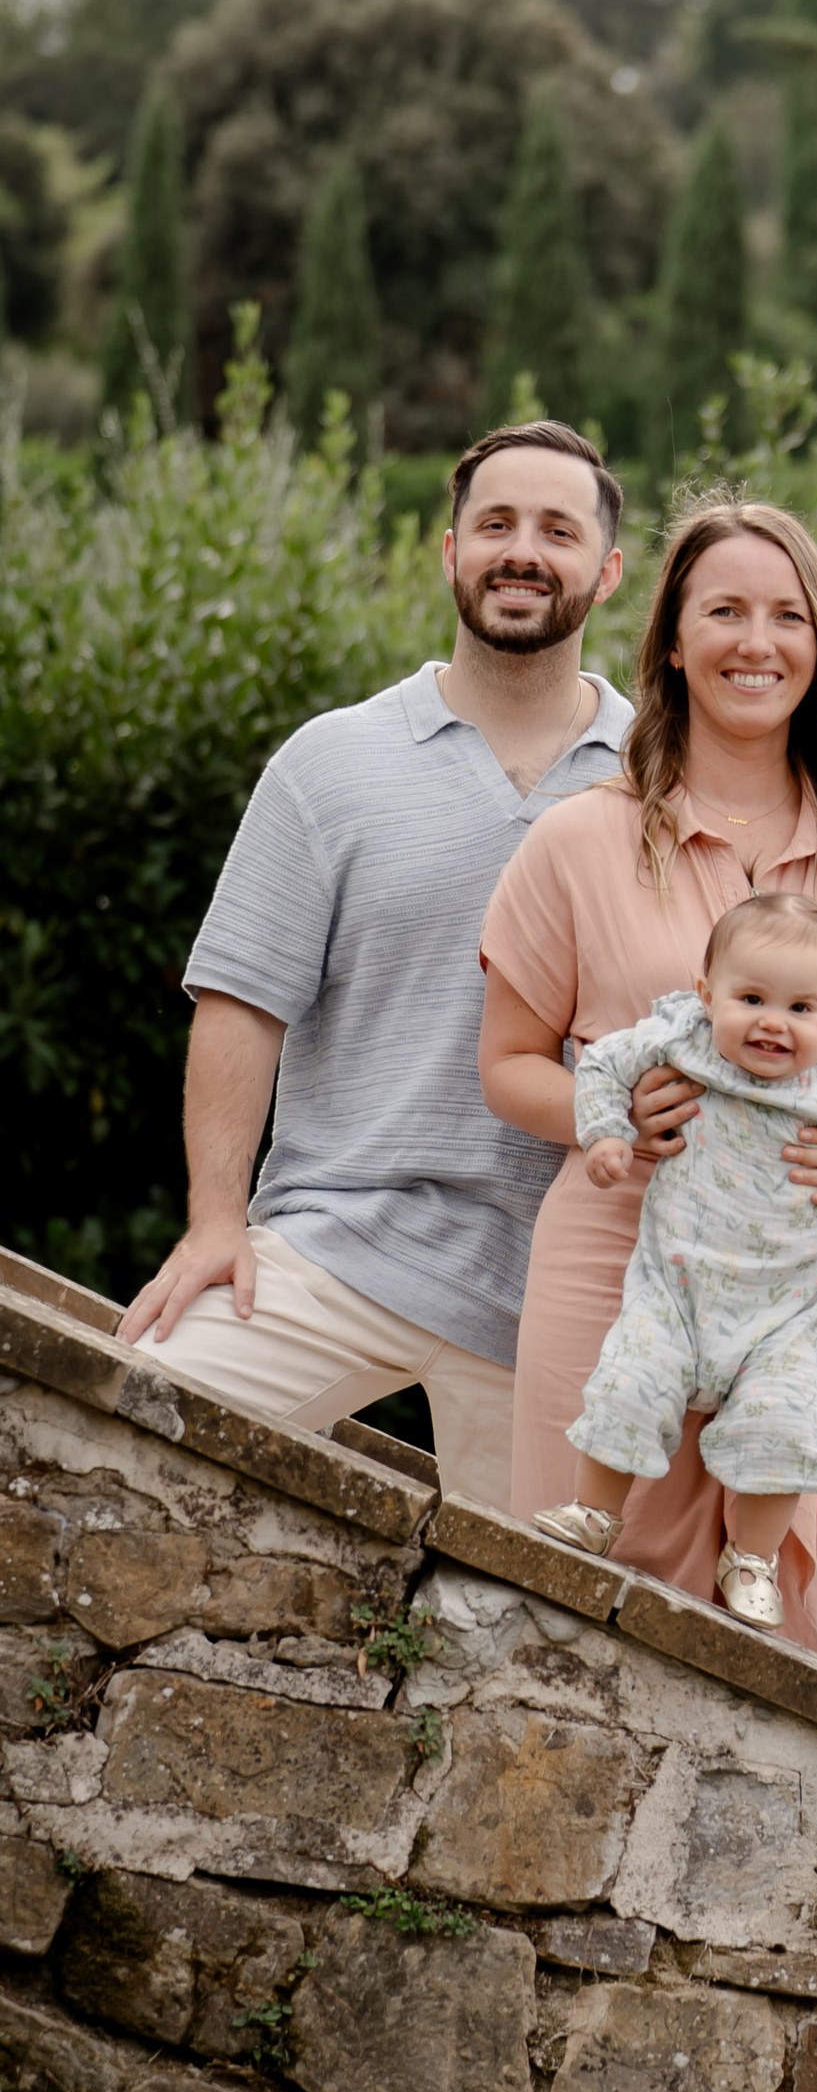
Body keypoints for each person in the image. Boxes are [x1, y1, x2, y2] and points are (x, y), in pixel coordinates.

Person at [112, 423, 637, 1498]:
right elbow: (241, 1005)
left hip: (563, 1291)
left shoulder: (662, 782)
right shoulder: (331, 763)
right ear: (449, 552)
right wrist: (216, 1222)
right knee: (115, 1440)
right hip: (334, 1245)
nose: (521, 551)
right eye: (495, 525)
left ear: (609, 571)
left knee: (553, 1644)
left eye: (556, 529)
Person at [478, 498, 817, 1668]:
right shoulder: (580, 842)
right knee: (582, 1629)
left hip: (808, 1298)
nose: (758, 640)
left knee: (807, 1635)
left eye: (788, 615)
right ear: (673, 642)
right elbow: (505, 1067)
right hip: (617, 1267)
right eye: (725, 610)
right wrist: (611, 1111)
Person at [536, 893, 817, 1631]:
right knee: (630, 1382)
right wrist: (603, 1133)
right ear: (706, 993)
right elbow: (598, 1066)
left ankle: (751, 1557)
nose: (772, 1023)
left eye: (801, 1007)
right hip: (674, 1289)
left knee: (782, 1425)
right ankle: (595, 1510)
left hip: (780, 1317)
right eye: (750, 998)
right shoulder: (679, 1042)